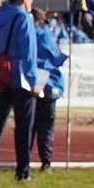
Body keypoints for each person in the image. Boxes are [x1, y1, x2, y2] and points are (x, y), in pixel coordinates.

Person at [0, 0, 40, 183]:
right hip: (20, 78)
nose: (32, 0)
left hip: (1, 75)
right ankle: (23, 171)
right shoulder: (24, 18)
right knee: (24, 126)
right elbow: (28, 52)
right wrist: (33, 80)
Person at [31, 10, 67, 173]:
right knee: (46, 125)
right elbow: (55, 57)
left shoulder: (26, 35)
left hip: (29, 82)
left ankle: (24, 160)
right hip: (48, 82)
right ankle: (45, 161)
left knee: (29, 123)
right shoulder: (44, 35)